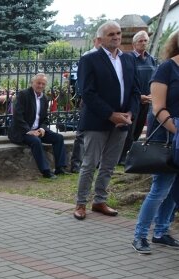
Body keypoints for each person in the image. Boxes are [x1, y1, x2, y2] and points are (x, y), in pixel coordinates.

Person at [73, 21, 139, 221]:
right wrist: (110, 114)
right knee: (90, 163)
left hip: (122, 122)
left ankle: (100, 200)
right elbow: (87, 92)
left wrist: (130, 114)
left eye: (118, 33)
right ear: (100, 39)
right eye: (111, 34)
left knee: (109, 165)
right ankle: (81, 203)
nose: (116, 37)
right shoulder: (90, 60)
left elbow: (135, 90)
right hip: (97, 120)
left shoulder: (128, 59)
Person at [131, 30, 179, 254]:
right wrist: (177, 130)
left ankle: (161, 232)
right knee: (161, 188)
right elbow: (158, 107)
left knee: (175, 188)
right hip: (166, 135)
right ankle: (140, 235)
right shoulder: (166, 68)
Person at [7, 73, 67, 178]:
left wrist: (42, 129)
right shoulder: (23, 95)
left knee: (58, 138)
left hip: (37, 130)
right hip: (22, 131)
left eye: (43, 84)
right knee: (36, 141)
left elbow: (45, 119)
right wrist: (28, 130)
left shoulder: (44, 99)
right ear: (32, 83)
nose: (40, 86)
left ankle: (60, 168)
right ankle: (46, 171)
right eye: (38, 83)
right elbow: (17, 116)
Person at [119, 30, 157, 164]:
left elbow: (154, 79)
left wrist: (152, 94)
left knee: (139, 129)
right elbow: (126, 80)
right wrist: (138, 96)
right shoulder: (128, 58)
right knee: (129, 130)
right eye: (140, 41)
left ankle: (132, 155)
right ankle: (122, 157)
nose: (143, 43)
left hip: (148, 100)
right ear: (134, 43)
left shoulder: (151, 59)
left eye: (145, 40)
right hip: (133, 100)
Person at [70, 36, 102, 173]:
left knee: (100, 134)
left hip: (104, 102)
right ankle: (76, 164)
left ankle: (97, 162)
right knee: (82, 133)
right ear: (96, 40)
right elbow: (80, 81)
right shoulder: (87, 57)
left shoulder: (114, 57)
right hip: (89, 100)